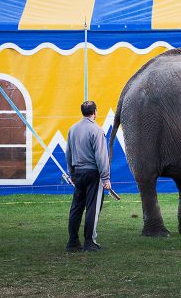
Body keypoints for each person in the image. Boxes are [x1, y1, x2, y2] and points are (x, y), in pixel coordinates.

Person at [65, 101, 111, 252]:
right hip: (93, 174)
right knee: (92, 207)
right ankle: (90, 242)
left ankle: (72, 242)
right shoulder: (96, 130)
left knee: (76, 207)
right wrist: (106, 178)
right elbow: (101, 156)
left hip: (78, 172)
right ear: (95, 112)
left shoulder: (72, 129)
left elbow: (68, 153)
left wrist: (72, 173)